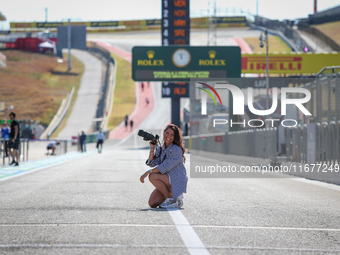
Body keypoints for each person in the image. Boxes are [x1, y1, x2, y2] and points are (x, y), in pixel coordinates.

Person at [140, 124, 188, 209]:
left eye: (172, 134)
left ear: (175, 137)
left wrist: (148, 172)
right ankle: (170, 197)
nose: (168, 136)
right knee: (152, 203)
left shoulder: (176, 149)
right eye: (167, 133)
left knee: (152, 176)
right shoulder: (161, 148)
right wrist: (152, 148)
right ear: (163, 133)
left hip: (177, 178)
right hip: (167, 179)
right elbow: (152, 163)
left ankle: (173, 200)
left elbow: (165, 167)